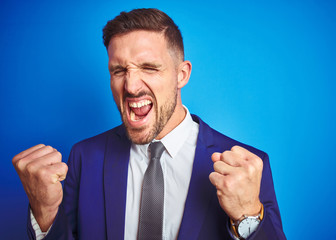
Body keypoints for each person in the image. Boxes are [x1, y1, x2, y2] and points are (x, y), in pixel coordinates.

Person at [12, 8, 286, 240]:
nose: (130, 86)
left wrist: (248, 215)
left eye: (149, 68)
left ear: (182, 74)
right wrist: (45, 213)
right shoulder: (84, 157)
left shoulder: (247, 167)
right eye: (119, 70)